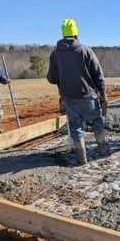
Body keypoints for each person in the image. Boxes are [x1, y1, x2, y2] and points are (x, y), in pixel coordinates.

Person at [47, 19, 108, 165]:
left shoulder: (55, 54)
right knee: (96, 122)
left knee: (75, 128)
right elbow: (98, 74)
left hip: (68, 98)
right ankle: (103, 151)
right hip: (87, 96)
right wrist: (103, 96)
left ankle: (82, 159)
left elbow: (51, 78)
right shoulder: (85, 50)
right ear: (76, 34)